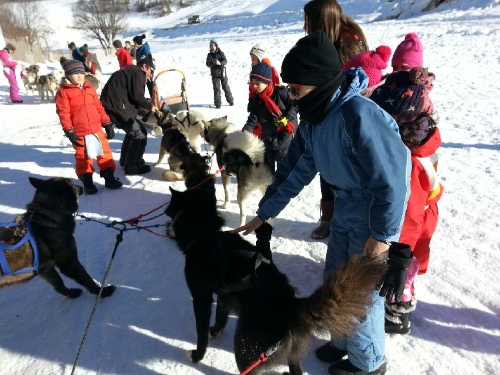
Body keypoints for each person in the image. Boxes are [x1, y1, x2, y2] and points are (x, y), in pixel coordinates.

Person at [233, 31, 410, 375]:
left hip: (371, 213)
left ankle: (368, 363)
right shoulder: (315, 119)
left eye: (296, 88)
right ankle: (344, 342)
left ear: (316, 81)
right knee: (335, 283)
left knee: (359, 296)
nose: (291, 95)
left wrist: (383, 234)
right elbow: (294, 169)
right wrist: (265, 212)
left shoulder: (358, 114)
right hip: (345, 209)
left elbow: (393, 178)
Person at [371, 67, 442, 335]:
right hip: (419, 217)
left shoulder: (408, 162)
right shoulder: (417, 140)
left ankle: (397, 317)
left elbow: (409, 215)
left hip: (410, 229)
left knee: (401, 276)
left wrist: (400, 254)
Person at [303, 0, 370, 240]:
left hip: (346, 117)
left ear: (324, 19)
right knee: (326, 167)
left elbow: (359, 83)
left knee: (344, 172)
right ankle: (328, 218)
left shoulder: (349, 43)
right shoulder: (324, 41)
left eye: (309, 21)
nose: (305, 26)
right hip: (325, 114)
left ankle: (347, 221)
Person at [55, 60, 122, 194]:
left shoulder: (89, 88)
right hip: (79, 131)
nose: (79, 76)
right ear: (68, 75)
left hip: (96, 129)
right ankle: (87, 181)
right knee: (83, 157)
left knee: (105, 153)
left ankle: (109, 177)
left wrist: (107, 123)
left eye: (81, 73)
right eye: (75, 74)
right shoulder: (63, 92)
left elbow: (98, 107)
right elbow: (63, 113)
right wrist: (69, 131)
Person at [100, 55, 157, 176]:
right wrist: (150, 106)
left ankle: (127, 161)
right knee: (138, 134)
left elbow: (133, 96)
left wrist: (144, 109)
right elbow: (137, 97)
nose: (151, 74)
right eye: (151, 70)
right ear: (144, 67)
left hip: (117, 106)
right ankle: (132, 166)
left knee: (135, 131)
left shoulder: (131, 72)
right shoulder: (137, 73)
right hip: (117, 107)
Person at [242, 62, 297, 175]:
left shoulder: (281, 93)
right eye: (253, 83)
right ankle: (271, 190)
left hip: (284, 138)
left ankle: (284, 190)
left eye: (258, 83)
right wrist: (246, 130)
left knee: (284, 171)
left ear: (267, 82)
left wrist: (286, 118)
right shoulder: (258, 99)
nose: (254, 86)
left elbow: (294, 106)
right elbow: (253, 118)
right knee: (268, 173)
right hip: (267, 139)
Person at [206, 39, 234, 108]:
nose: (213, 47)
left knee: (226, 87)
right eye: (211, 45)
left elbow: (225, 61)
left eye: (214, 45)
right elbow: (207, 64)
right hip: (215, 74)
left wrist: (220, 63)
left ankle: (231, 101)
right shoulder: (209, 55)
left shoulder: (220, 53)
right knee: (216, 89)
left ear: (216, 45)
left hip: (222, 73)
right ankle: (218, 104)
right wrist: (213, 63)